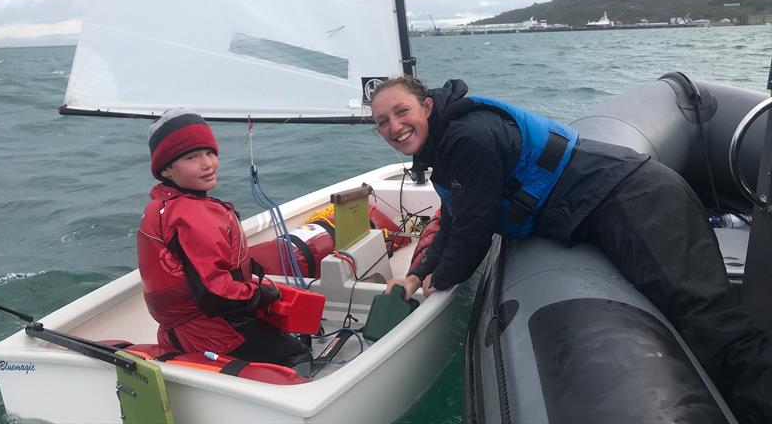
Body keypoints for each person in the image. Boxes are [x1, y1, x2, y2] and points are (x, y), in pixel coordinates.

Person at [370, 76, 771, 423]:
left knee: (710, 322)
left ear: (427, 105)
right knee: (698, 323)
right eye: (382, 122)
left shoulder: (469, 138)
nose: (395, 126)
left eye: (401, 112)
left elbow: (475, 230)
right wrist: (416, 274)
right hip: (606, 208)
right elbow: (455, 222)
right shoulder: (443, 150)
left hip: (638, 201)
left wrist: (439, 280)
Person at [137, 108, 311, 372]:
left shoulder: (164, 206)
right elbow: (214, 295)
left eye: (210, 153)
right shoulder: (192, 214)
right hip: (211, 331)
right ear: (167, 170)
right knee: (296, 353)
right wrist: (261, 293)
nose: (207, 164)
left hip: (177, 329)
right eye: (192, 157)